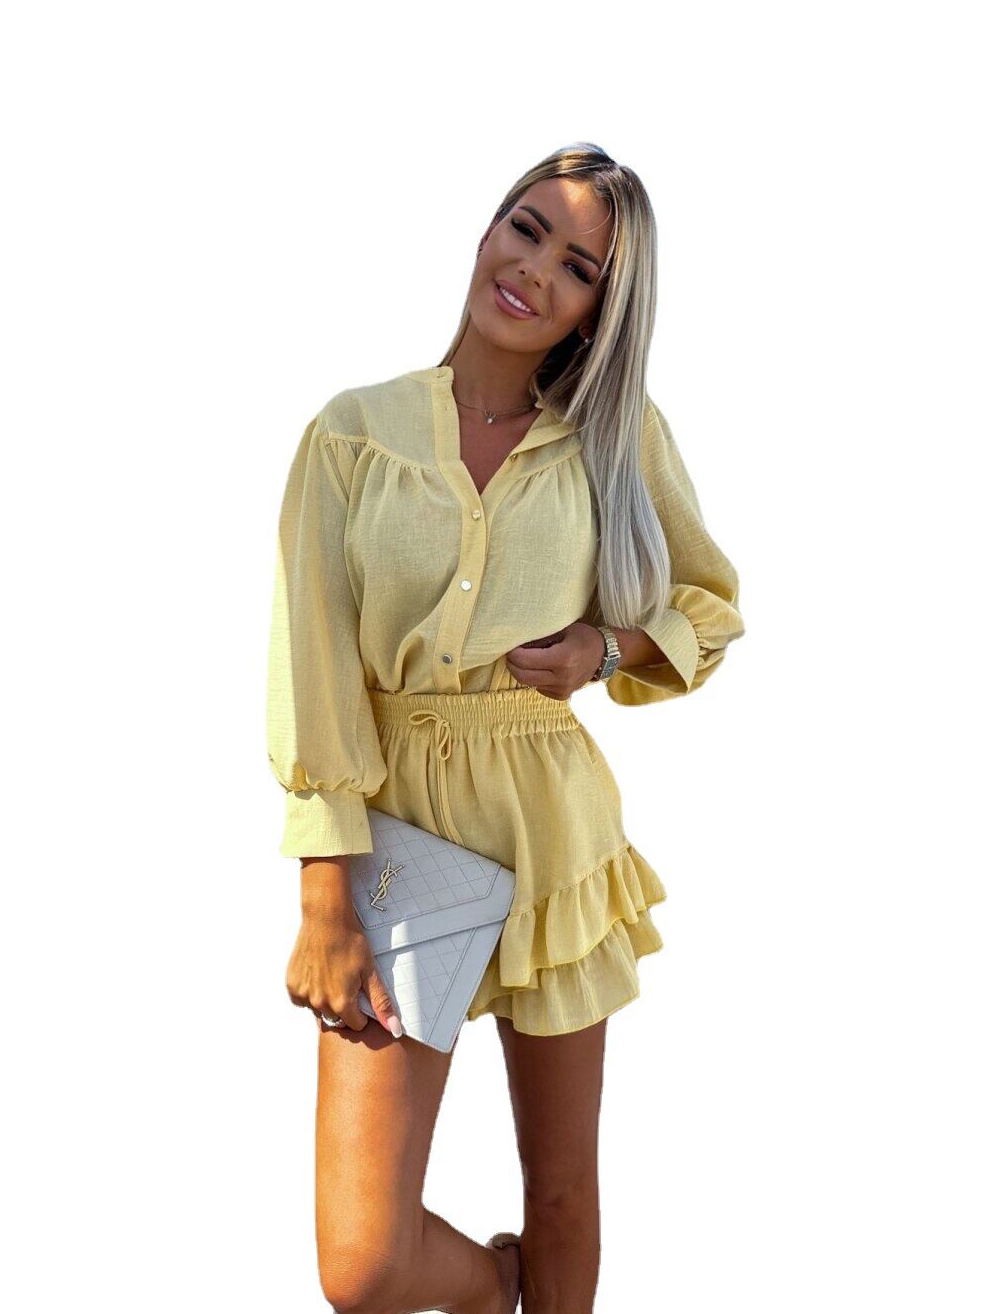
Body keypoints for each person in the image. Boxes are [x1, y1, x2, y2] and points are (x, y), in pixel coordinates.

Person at [266, 142, 745, 1314]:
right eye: (526, 229)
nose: (534, 270)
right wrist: (323, 896)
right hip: (394, 836)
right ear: (487, 229)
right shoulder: (353, 433)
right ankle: (492, 1292)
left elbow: (709, 605)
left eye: (579, 268)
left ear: (597, 312)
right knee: (364, 1263)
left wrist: (606, 650)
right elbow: (311, 663)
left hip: (549, 828)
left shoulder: (614, 440)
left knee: (563, 1188)